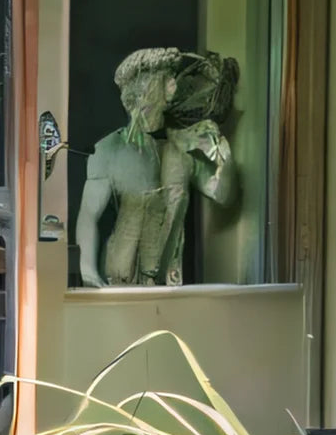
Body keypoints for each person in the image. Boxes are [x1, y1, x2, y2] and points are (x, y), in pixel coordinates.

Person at [77, 48, 238, 287]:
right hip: (118, 282)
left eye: (172, 79)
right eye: (164, 80)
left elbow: (223, 195)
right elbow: (88, 214)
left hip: (167, 286)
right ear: (142, 89)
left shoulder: (179, 149)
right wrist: (87, 270)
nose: (172, 87)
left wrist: (223, 157)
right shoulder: (109, 150)